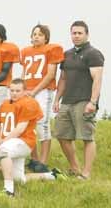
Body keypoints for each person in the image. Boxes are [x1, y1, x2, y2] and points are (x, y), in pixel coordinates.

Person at [53, 20, 104, 180]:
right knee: (61, 135)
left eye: (79, 33)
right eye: (73, 33)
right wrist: (57, 100)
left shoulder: (93, 53)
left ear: (86, 34)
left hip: (84, 101)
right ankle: (74, 168)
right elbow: (62, 79)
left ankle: (86, 173)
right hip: (67, 101)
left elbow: (97, 79)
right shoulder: (66, 54)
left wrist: (93, 102)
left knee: (87, 137)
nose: (76, 36)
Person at [0, 79, 64, 197]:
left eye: (18, 90)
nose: (14, 93)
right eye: (12, 90)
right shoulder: (5, 104)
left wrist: (3, 141)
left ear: (25, 91)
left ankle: (8, 191)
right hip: (11, 143)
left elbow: (20, 129)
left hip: (23, 142)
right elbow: (0, 126)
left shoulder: (28, 103)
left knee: (3, 151)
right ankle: (52, 175)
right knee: (19, 179)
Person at [20, 24, 64, 172]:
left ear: (46, 37)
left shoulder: (52, 49)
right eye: (34, 34)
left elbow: (51, 74)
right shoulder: (26, 51)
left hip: (43, 90)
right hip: (27, 90)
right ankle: (34, 159)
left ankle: (43, 162)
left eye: (40, 34)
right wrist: (22, 89)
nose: (36, 36)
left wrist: (35, 91)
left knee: (42, 124)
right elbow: (25, 72)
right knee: (28, 125)